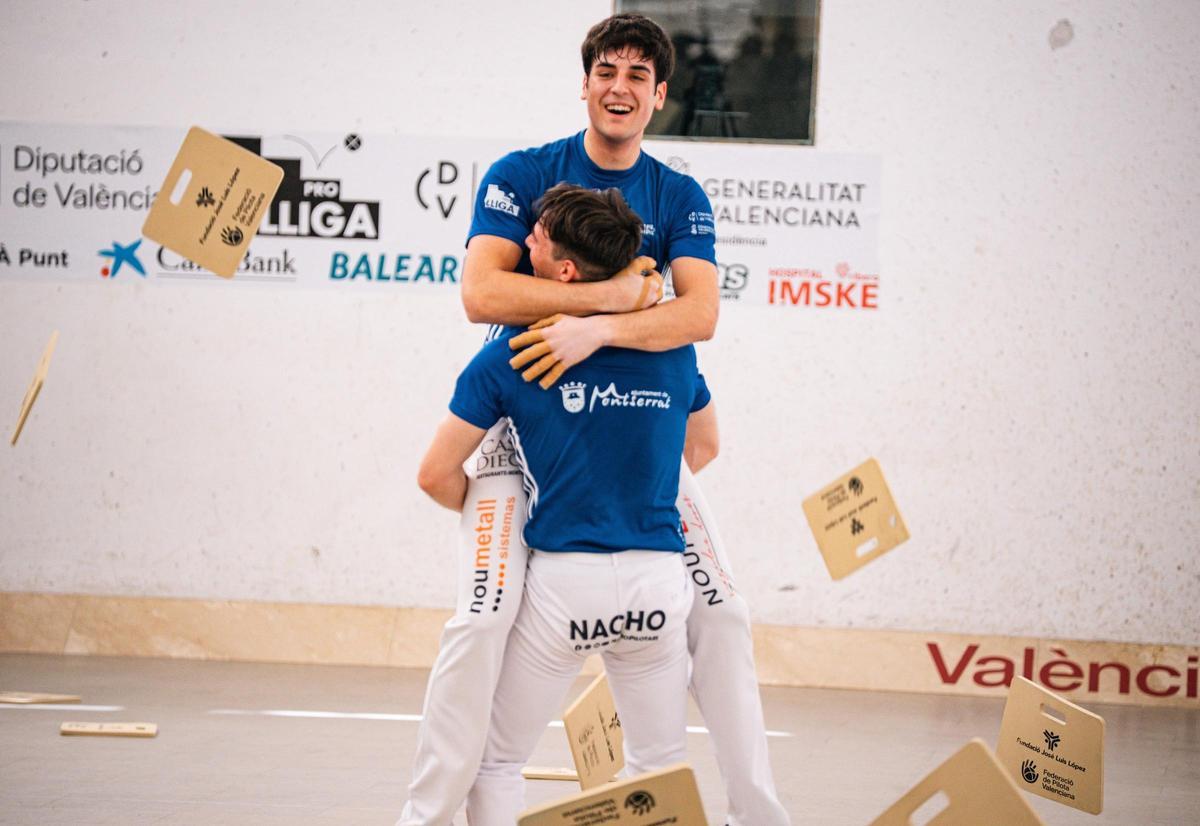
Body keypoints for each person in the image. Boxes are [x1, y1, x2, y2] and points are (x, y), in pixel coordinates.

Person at [399, 13, 790, 826]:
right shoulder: (524, 172)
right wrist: (611, 297)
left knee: (726, 613)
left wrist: (599, 334)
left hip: (626, 433)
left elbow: (702, 316)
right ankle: (427, 818)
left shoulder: (678, 193)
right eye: (606, 71)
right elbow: (482, 296)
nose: (619, 87)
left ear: (659, 98)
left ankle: (761, 815)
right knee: (482, 617)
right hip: (517, 425)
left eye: (637, 76)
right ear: (585, 83)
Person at [417, 184, 711, 825]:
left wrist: (499, 510)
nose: (525, 240)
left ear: (565, 271)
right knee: (656, 772)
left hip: (563, 590)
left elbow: (435, 475)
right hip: (660, 588)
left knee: (495, 763)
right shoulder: (672, 348)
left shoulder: (509, 355)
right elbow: (706, 447)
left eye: (538, 237)